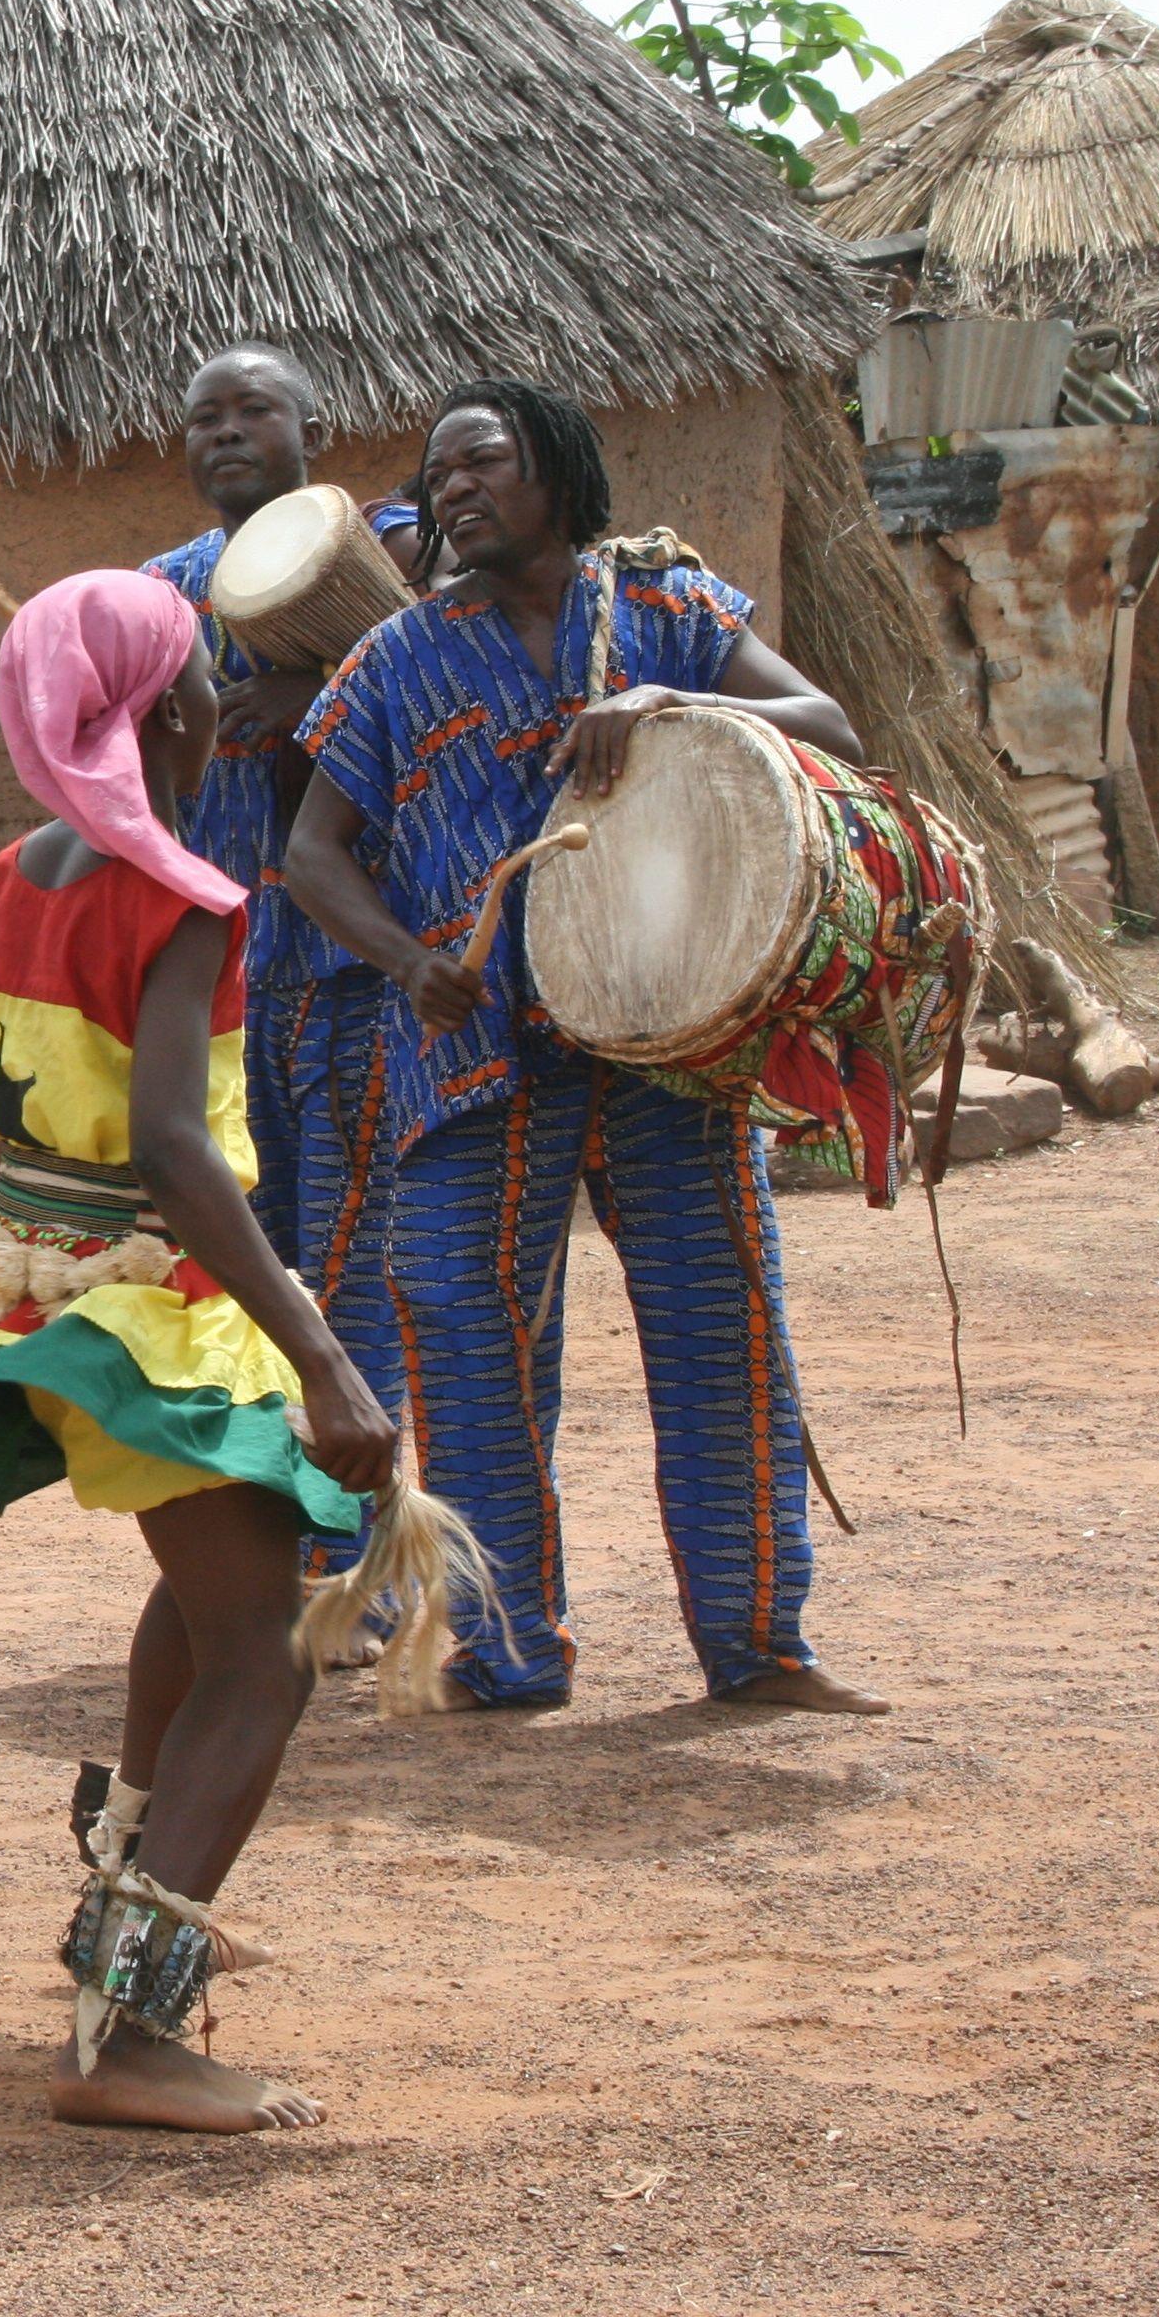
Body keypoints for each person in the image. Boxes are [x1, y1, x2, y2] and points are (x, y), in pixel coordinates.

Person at [0, 568, 410, 2131]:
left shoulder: (11, 876)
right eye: (202, 675)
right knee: (262, 1653)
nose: (213, 699)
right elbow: (186, 1151)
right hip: (159, 1305)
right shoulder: (182, 893)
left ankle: (126, 1908)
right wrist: (317, 1352)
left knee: (208, 1608)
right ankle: (131, 2030)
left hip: (51, 1287)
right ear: (171, 706)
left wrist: (42, 1216)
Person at [284, 378, 888, 1715]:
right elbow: (310, 854)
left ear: (558, 469)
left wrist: (674, 707)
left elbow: (831, 732)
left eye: (481, 461)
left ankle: (758, 1647)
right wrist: (408, 961)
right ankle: (509, 1653)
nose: (453, 488)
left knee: (719, 1334)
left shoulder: (667, 611)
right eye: (436, 475)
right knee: (462, 1337)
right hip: (477, 1051)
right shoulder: (395, 662)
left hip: (668, 1041)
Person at [140, 347, 414, 1637]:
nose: (229, 432)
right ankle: (280, 1566)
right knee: (255, 1281)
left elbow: (448, 685)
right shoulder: (160, 598)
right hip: (227, 990)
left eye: (256, 409)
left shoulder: (397, 560)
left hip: (360, 982)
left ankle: (362, 1574)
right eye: (205, 418)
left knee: (363, 1276)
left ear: (315, 427)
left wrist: (318, 689)